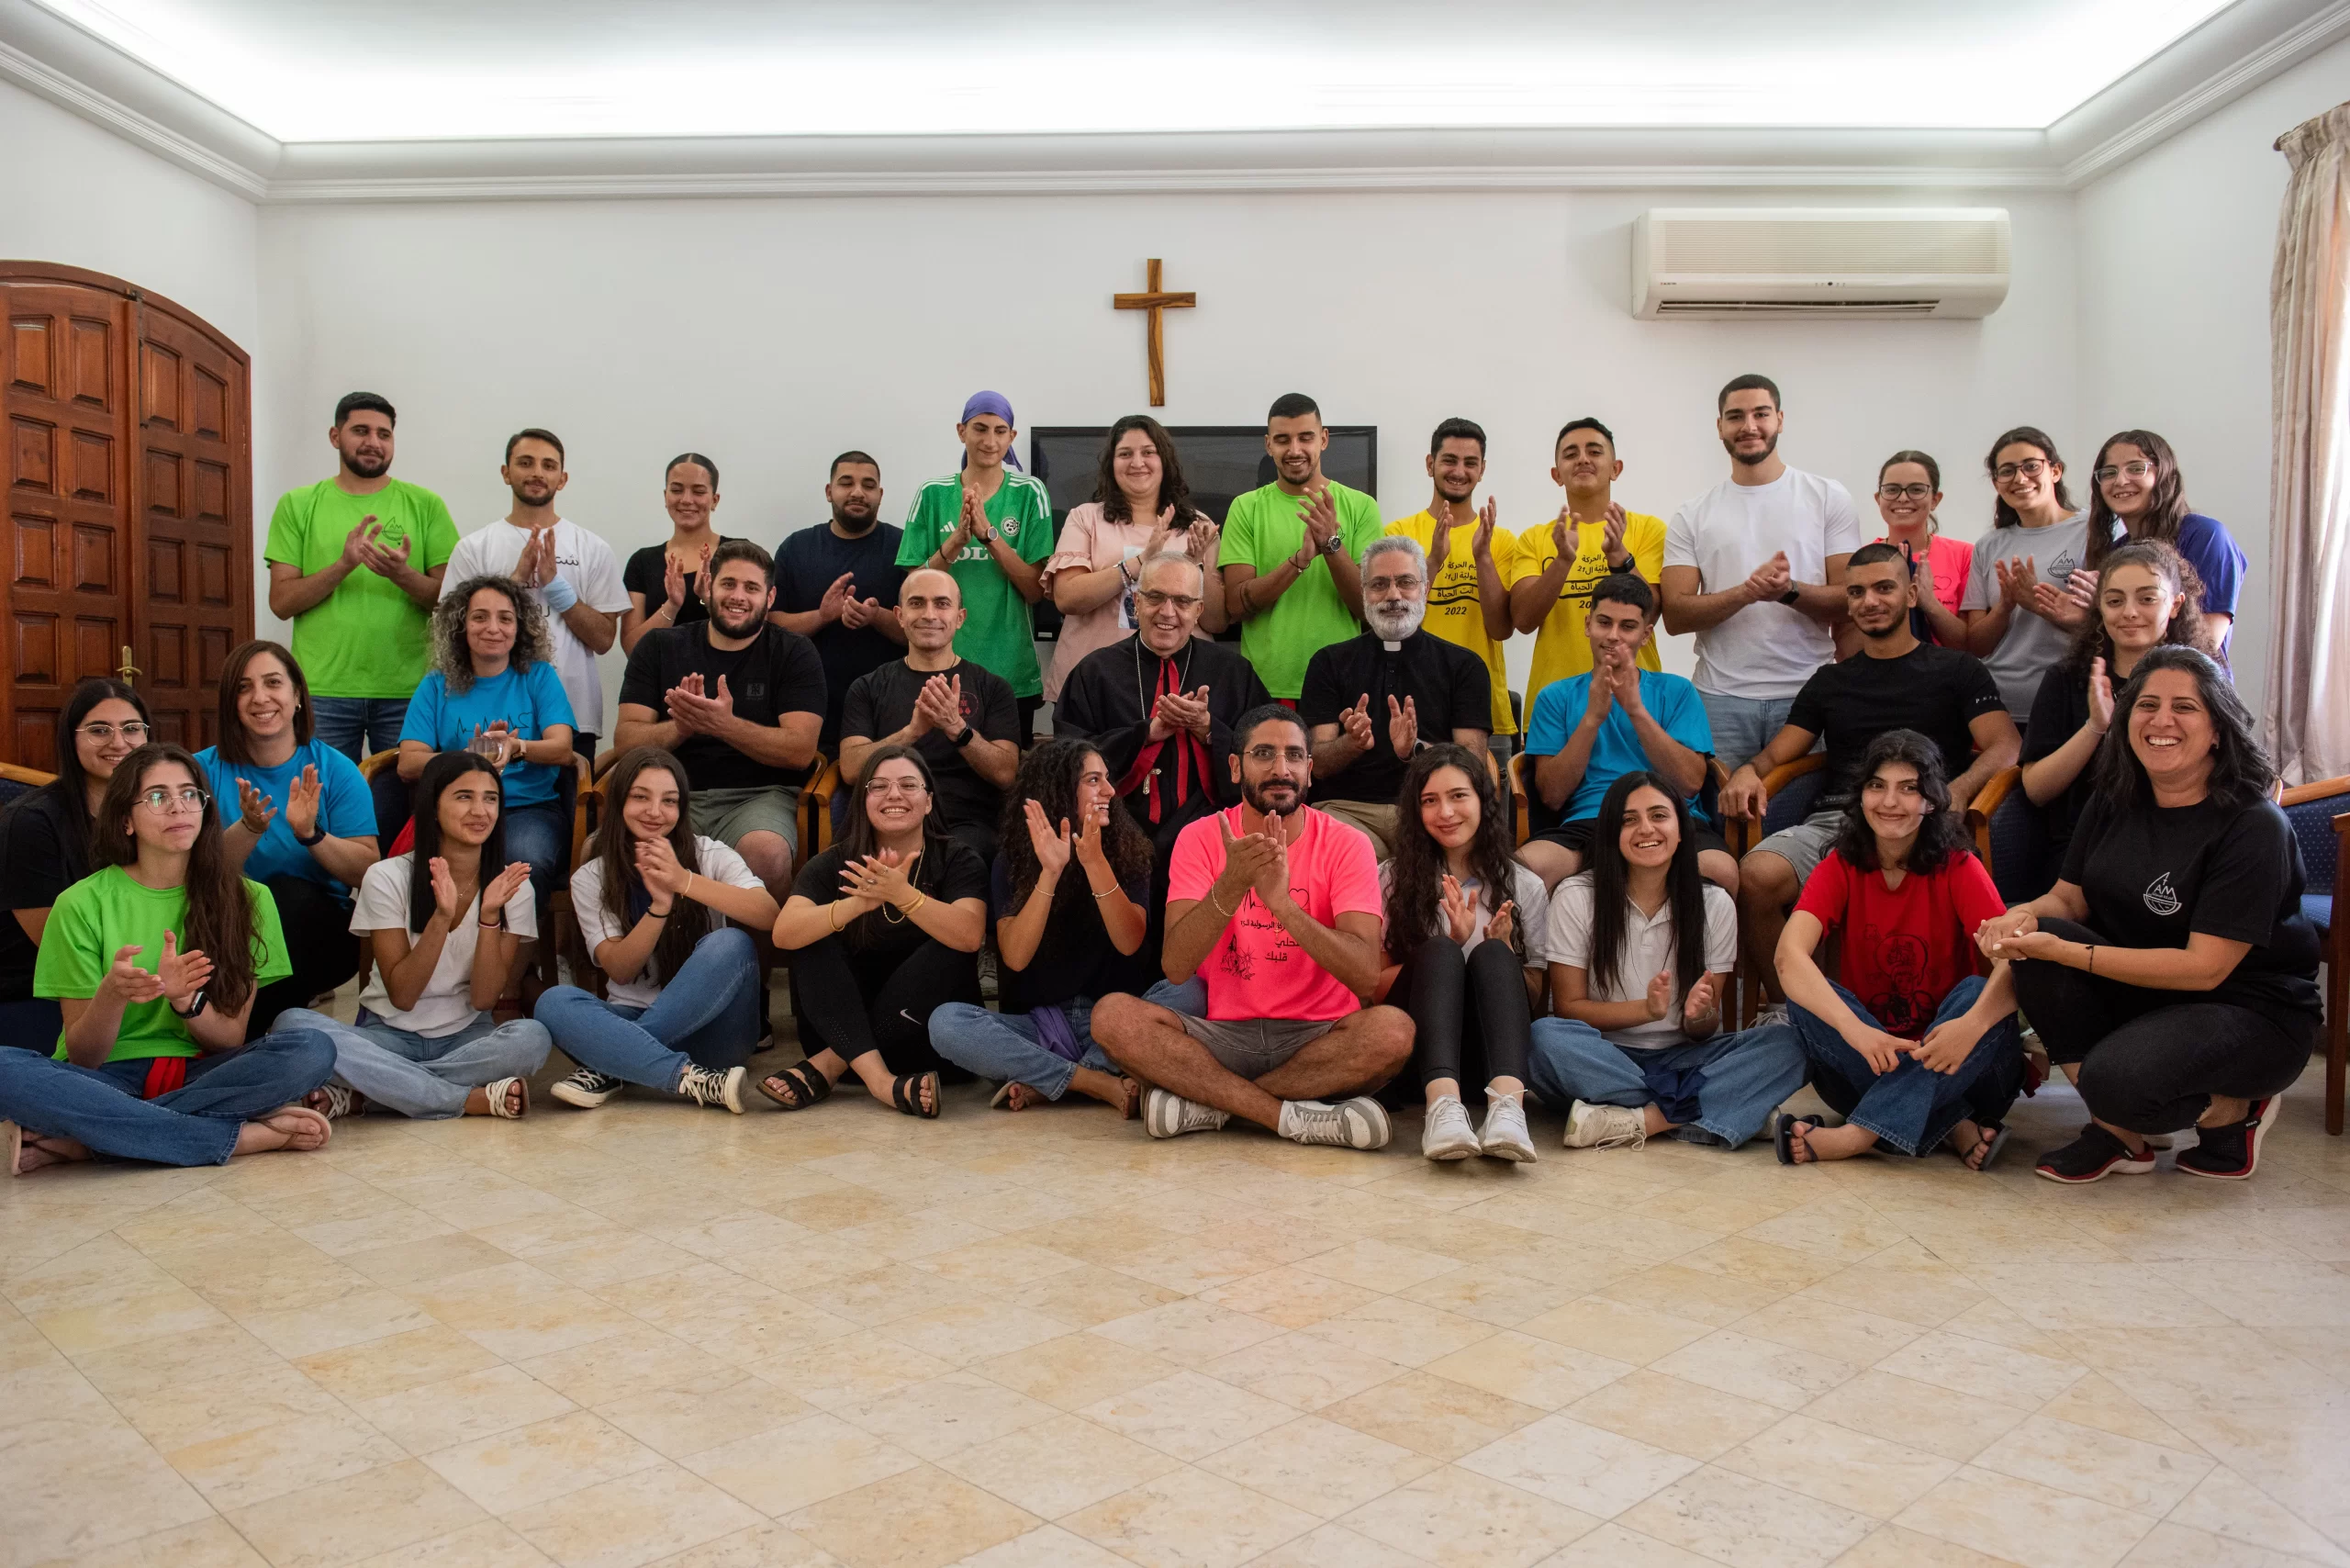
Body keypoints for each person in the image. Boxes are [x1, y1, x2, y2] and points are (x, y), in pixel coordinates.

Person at [1982, 647, 2320, 1183]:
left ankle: (2238, 1109)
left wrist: (2065, 950)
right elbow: (2067, 899)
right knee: (2037, 936)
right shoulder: (2114, 796)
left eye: (2184, 707)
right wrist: (2017, 917)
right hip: (2148, 991)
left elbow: (2203, 968)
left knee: (2118, 1079)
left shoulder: (2254, 825)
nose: (2162, 721)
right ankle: (2118, 1132)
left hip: (2249, 1010)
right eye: (2147, 704)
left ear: (2217, 729)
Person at [1089, 706, 1415, 1149]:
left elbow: (1363, 974)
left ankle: (1214, 1103)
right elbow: (1177, 966)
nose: (1282, 769)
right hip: (1223, 1035)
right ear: (1236, 766)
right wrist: (1231, 885)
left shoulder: (1348, 843)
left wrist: (1282, 906)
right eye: (1264, 753)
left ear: (1310, 770)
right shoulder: (1200, 838)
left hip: (1318, 1037)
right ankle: (1283, 1115)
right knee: (1113, 1018)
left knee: (1393, 1031)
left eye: (1295, 756)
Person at [3, 745, 337, 1174]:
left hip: (205, 1074)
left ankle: (91, 1140)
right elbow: (84, 1057)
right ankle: (236, 1138)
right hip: (104, 1079)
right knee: (5, 1068)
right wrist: (112, 995)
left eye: (190, 794)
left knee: (313, 1048)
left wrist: (187, 1003)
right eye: (158, 797)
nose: (178, 806)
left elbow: (229, 1039)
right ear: (126, 820)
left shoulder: (249, 900)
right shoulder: (79, 904)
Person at [1724, 543, 2018, 981]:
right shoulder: (1830, 680)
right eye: (1857, 592)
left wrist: (1959, 789)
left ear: (1913, 594)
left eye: (1884, 588)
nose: (1870, 602)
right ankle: (1791, 1014)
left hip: (1928, 821)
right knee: (1756, 876)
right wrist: (1747, 771)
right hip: (1840, 822)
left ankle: (1970, 1013)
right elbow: (1774, 755)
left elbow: (2006, 745)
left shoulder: (1958, 669)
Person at [1773, 732, 2025, 1169]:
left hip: (1963, 1065)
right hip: (1869, 1061)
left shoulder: (1960, 866)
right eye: (1877, 786)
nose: (1890, 801)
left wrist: (1972, 1025)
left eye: (1909, 788)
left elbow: (2015, 964)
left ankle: (1857, 1136)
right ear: (1860, 795)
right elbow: (1788, 957)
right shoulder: (1842, 865)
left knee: (1973, 992)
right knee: (1807, 997)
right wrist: (1856, 1031)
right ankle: (1951, 1124)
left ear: (1931, 801)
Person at [1528, 772, 1805, 1151]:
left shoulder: (1715, 903)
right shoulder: (1577, 896)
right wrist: (1645, 1010)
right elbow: (1569, 1009)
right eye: (1629, 820)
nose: (1646, 829)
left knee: (1792, 1041)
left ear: (1680, 830)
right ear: (1611, 832)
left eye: (1659, 816)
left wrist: (1698, 1015)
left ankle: (1641, 1119)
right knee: (1545, 1038)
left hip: (1686, 1056)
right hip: (1604, 1055)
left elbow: (1704, 1030)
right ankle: (1724, 1107)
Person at [276, 753, 550, 1119]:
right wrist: (441, 917)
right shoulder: (386, 877)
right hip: (386, 1037)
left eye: (490, 798)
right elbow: (403, 996)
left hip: (468, 1039)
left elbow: (485, 999)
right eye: (464, 796)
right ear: (433, 807)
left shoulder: (512, 887)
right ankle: (461, 1099)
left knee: (532, 1039)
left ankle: (372, 1094)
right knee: (291, 1026)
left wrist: (488, 918)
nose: (480, 810)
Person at [534, 747, 780, 1114]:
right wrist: (659, 908)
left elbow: (768, 915)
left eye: (669, 801)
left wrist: (684, 881)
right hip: (630, 1017)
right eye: (640, 797)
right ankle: (689, 1079)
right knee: (552, 1002)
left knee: (731, 942)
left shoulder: (710, 855)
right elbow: (620, 969)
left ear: (682, 809)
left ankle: (612, 1066)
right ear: (618, 802)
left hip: (715, 1032)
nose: (654, 812)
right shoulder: (592, 876)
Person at [759, 745, 989, 1119]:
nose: (894, 795)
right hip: (837, 1027)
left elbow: (969, 936)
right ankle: (882, 1082)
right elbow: (784, 934)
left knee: (950, 943)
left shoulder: (959, 859)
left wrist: (904, 897)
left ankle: (830, 1066)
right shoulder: (834, 863)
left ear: (929, 802)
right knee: (809, 936)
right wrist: (856, 905)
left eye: (908, 785)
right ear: (863, 801)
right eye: (879, 786)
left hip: (924, 1045)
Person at [929, 740, 1153, 1115]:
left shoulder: (1130, 851)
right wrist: (1050, 873)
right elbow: (1015, 957)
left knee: (1189, 994)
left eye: (1107, 779)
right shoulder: (1012, 860)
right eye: (1094, 780)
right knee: (946, 1023)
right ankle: (1094, 1082)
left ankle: (1052, 1081)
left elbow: (1129, 942)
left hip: (1116, 1024)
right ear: (1061, 791)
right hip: (1042, 1027)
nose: (1110, 791)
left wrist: (1095, 863)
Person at [1661, 375, 1861, 772]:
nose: (1749, 426)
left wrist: (1789, 591)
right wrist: (1746, 593)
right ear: (1719, 427)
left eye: (1761, 414)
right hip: (1719, 699)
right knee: (1721, 824)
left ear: (1780, 420)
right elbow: (1675, 616)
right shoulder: (1693, 513)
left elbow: (1851, 600)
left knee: (1806, 821)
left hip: (1809, 693)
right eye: (1735, 416)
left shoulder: (1827, 496)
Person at [615, 540, 826, 898]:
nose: (738, 596)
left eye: (751, 587)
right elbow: (625, 743)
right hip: (670, 796)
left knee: (767, 855)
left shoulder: (794, 652)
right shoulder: (658, 647)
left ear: (770, 597)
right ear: (708, 587)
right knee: (603, 853)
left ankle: (754, 956)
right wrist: (682, 727)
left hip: (760, 799)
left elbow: (800, 750)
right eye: (728, 584)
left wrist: (724, 725)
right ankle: (639, 955)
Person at [196, 641, 379, 1036]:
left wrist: (311, 835)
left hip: (318, 933)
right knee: (251, 903)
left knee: (280, 896)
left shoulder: (336, 769)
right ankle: (271, 1047)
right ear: (231, 702)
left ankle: (247, 1044)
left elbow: (369, 871)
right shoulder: (199, 771)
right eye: (244, 688)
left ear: (297, 695)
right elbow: (196, 873)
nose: (260, 697)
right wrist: (249, 828)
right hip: (222, 933)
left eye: (273, 683)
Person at [263, 392, 457, 760]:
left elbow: (450, 601)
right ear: (335, 437)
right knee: (321, 806)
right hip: (321, 688)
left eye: (384, 434)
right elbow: (281, 603)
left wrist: (400, 574)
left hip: (410, 688)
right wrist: (342, 566)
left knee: (406, 807)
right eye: (361, 431)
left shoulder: (426, 504)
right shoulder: (298, 504)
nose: (373, 442)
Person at [1378, 745, 1545, 1162]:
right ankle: (1442, 1109)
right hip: (1418, 1059)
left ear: (1483, 801)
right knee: (1439, 950)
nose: (1446, 813)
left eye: (1458, 796)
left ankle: (1508, 1110)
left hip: (1488, 1059)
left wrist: (1503, 948)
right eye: (1430, 801)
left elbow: (1538, 999)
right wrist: (1449, 945)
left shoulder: (1524, 884)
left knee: (1492, 954)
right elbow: (1374, 990)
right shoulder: (1390, 879)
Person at [1055, 553, 1270, 868]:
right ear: (1137, 602)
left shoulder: (1232, 673)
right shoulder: (1095, 671)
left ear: (1198, 611)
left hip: (1209, 826)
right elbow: (1066, 756)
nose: (1167, 612)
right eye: (1155, 597)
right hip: (1115, 822)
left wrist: (1209, 729)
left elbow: (1266, 750)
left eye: (1182, 601)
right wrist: (1146, 734)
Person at [1518, 573, 1729, 894]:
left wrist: (1636, 710)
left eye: (1627, 627)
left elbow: (1690, 784)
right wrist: (1591, 719)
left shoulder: (1677, 691)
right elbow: (1551, 795)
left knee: (1722, 871)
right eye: (1604, 623)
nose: (1613, 636)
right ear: (1588, 624)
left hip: (1669, 818)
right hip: (1590, 821)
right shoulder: (1555, 696)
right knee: (1524, 871)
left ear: (1645, 635)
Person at [1299, 536, 1491, 858]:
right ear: (1364, 594)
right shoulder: (1328, 663)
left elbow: (1473, 763)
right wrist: (1352, 743)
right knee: (1353, 856)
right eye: (1379, 585)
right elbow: (1315, 765)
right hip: (1348, 812)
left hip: (1428, 809)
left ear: (1425, 589)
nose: (1392, 596)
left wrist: (1416, 751)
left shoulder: (1464, 666)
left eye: (1405, 582)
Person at [442, 429, 628, 759]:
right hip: (489, 711)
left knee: (571, 811)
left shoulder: (593, 547)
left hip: (572, 712)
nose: (537, 473)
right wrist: (515, 582)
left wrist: (555, 586)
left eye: (548, 465)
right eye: (525, 463)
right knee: (484, 808)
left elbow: (603, 639)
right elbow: (451, 632)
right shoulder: (474, 547)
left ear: (562, 478)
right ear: (506, 472)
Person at [399, 576, 576, 912]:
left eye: (505, 618)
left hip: (527, 809)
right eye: (480, 617)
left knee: (524, 864)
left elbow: (563, 748)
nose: (493, 628)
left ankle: (517, 961)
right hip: (453, 809)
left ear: (519, 627)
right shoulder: (437, 684)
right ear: (461, 625)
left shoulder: (539, 676)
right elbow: (408, 763)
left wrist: (516, 747)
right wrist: (469, 758)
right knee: (420, 870)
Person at [2020, 542, 2208, 854]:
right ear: (2100, 608)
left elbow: (2232, 772)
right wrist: (2095, 726)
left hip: (2178, 844)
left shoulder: (2201, 680)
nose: (2130, 613)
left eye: (2147, 598)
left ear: (2175, 605)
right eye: (2115, 600)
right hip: (2086, 849)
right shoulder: (2067, 679)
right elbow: (2036, 790)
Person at [896, 392, 1055, 739]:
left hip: (1011, 671)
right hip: (938, 668)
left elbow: (1035, 590)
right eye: (980, 429)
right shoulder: (932, 494)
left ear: (1012, 437)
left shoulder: (1030, 493)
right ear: (961, 431)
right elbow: (912, 591)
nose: (989, 440)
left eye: (1000, 431)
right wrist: (955, 542)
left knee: (1006, 780)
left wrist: (989, 536)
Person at [1, 680, 152, 1045]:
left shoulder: (150, 811)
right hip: (32, 991)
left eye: (132, 729)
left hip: (124, 980)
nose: (119, 742)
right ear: (71, 739)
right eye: (99, 730)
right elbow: (59, 948)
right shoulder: (30, 822)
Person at [837, 569, 1021, 865]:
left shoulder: (993, 687)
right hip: (888, 819)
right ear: (899, 615)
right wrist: (911, 732)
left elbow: (1006, 774)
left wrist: (957, 728)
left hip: (965, 827)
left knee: (961, 860)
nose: (929, 614)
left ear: (960, 618)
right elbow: (850, 769)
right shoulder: (868, 687)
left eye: (942, 604)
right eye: (917, 603)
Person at [1044, 415, 1225, 703]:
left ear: (1164, 460)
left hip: (1181, 688)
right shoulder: (1085, 517)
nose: (1137, 462)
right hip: (1093, 685)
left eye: (1148, 452)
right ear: (1111, 464)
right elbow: (1067, 598)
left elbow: (1215, 622)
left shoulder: (1198, 525)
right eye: (1125, 454)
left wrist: (1196, 565)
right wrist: (1142, 561)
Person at [1220, 393, 1383, 701]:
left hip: (1342, 683)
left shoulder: (1362, 507)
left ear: (1323, 439)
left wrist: (1331, 546)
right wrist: (1299, 561)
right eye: (1283, 440)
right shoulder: (1246, 507)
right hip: (1264, 687)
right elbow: (1236, 605)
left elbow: (1368, 610)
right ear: (1269, 445)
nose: (1295, 450)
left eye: (1305, 438)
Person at [1509, 418, 1668, 703]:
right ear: (1557, 474)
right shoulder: (1534, 538)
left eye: (1594, 452)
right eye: (1571, 454)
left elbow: (1653, 613)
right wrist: (1562, 563)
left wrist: (1620, 556)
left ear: (1615, 468)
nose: (1582, 459)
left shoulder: (1648, 530)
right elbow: (1523, 620)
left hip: (1637, 702)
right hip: (1555, 705)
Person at [1385, 419, 1517, 743]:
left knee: (1481, 793)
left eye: (1470, 463)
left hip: (1484, 710)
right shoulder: (1398, 534)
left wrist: (1483, 557)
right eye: (1449, 460)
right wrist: (1433, 561)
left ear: (1482, 469)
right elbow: (1392, 623)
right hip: (1412, 707)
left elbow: (1501, 628)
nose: (1459, 471)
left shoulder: (1501, 540)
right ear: (1430, 464)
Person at [772, 451, 907, 753]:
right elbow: (772, 628)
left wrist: (877, 616)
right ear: (829, 491)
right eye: (846, 483)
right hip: (809, 710)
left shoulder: (905, 548)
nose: (858, 492)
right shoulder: (796, 548)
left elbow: (923, 633)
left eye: (868, 485)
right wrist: (822, 616)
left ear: (880, 495)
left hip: (889, 711)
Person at [2063, 431, 2245, 653]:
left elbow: (2206, 644)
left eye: (2136, 468)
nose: (2120, 481)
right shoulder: (2118, 549)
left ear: (2164, 475)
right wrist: (2088, 614)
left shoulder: (2206, 535)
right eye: (2109, 473)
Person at [1960, 426, 2092, 727]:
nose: (2020, 479)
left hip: (2070, 705)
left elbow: (2111, 626)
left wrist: (2041, 605)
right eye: (2006, 471)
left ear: (2055, 471)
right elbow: (1977, 645)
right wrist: (2005, 607)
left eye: (2031, 466)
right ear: (1996, 482)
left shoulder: (2093, 531)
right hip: (1997, 707)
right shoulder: (1989, 545)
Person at [1841, 451, 1969, 655]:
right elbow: (1848, 644)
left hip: (1949, 679)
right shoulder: (1860, 561)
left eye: (1916, 490)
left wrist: (1929, 602)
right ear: (1878, 498)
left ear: (1935, 499)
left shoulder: (1964, 555)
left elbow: (1970, 645)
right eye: (1892, 490)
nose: (1902, 498)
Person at [621, 454, 738, 655]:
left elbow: (754, 633)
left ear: (714, 500)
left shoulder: (738, 554)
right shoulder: (642, 562)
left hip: (723, 679)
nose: (686, 500)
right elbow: (632, 648)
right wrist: (672, 605)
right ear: (665, 497)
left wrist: (707, 598)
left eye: (699, 491)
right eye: (676, 490)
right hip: (658, 682)